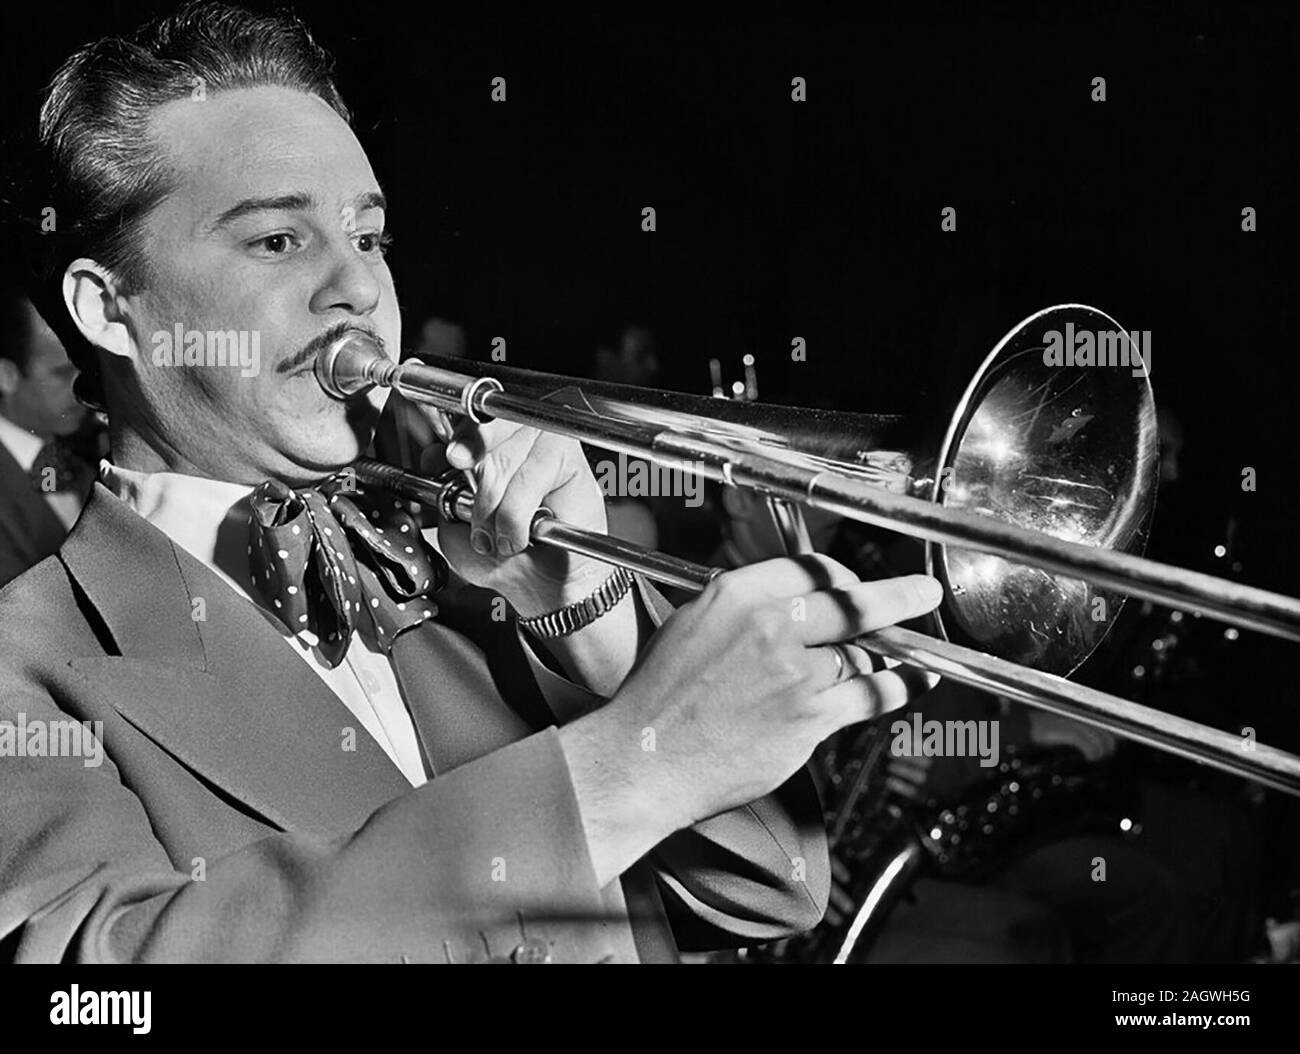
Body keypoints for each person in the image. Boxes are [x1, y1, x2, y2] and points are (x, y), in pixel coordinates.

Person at [0, 2, 942, 963]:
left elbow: (779, 886)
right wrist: (621, 773)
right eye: (278, 241)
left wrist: (595, 620)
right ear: (112, 310)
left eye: (369, 237)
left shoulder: (460, 565)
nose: (359, 288)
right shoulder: (22, 665)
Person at [0, 289, 93, 586]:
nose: (82, 388)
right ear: (6, 375)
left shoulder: (86, 461)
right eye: (63, 373)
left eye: (84, 367)